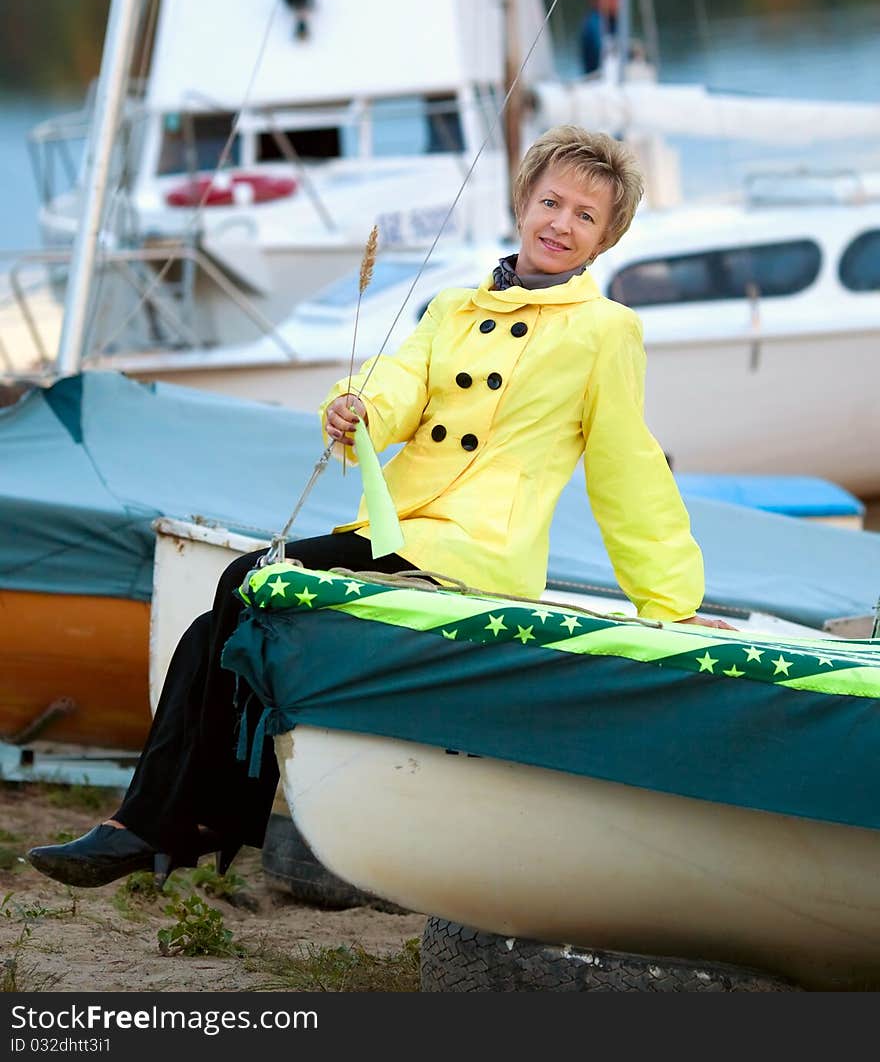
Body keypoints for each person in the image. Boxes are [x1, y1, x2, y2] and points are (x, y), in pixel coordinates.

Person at [27, 125, 729, 891]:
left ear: (606, 239)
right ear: (522, 202)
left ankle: (186, 821)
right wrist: (354, 406)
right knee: (211, 628)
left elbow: (626, 468)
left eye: (585, 216)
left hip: (475, 550)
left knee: (245, 584)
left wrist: (670, 603)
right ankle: (160, 823)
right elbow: (398, 388)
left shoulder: (606, 329)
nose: (561, 223)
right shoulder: (454, 307)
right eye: (551, 201)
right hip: (403, 531)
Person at [579, 0, 621, 75]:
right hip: (596, 84)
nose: (616, 2)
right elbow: (601, 49)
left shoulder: (614, 22)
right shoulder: (593, 23)